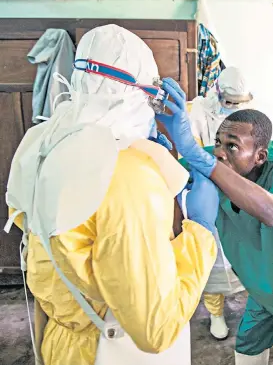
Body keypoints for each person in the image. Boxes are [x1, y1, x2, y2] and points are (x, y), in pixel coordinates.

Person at [5, 25, 219, 365]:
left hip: (63, 339)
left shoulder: (41, 142)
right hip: (112, 348)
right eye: (151, 96)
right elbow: (155, 328)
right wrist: (202, 233)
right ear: (134, 95)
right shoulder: (128, 176)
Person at [156, 79, 273, 365]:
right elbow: (168, 177)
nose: (219, 151)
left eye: (232, 146)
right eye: (218, 142)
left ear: (260, 156)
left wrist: (196, 156)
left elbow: (272, 211)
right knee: (248, 344)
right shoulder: (217, 159)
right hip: (262, 282)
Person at [187, 66, 252, 340]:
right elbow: (192, 151)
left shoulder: (254, 113)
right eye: (230, 103)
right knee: (213, 254)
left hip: (241, 190)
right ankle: (215, 313)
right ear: (218, 93)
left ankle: (251, 307)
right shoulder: (200, 113)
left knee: (245, 252)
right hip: (210, 191)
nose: (234, 108)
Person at [190, 66, 253, 147]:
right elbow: (192, 146)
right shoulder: (200, 108)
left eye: (238, 103)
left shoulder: (249, 113)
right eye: (229, 101)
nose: (234, 107)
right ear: (218, 92)